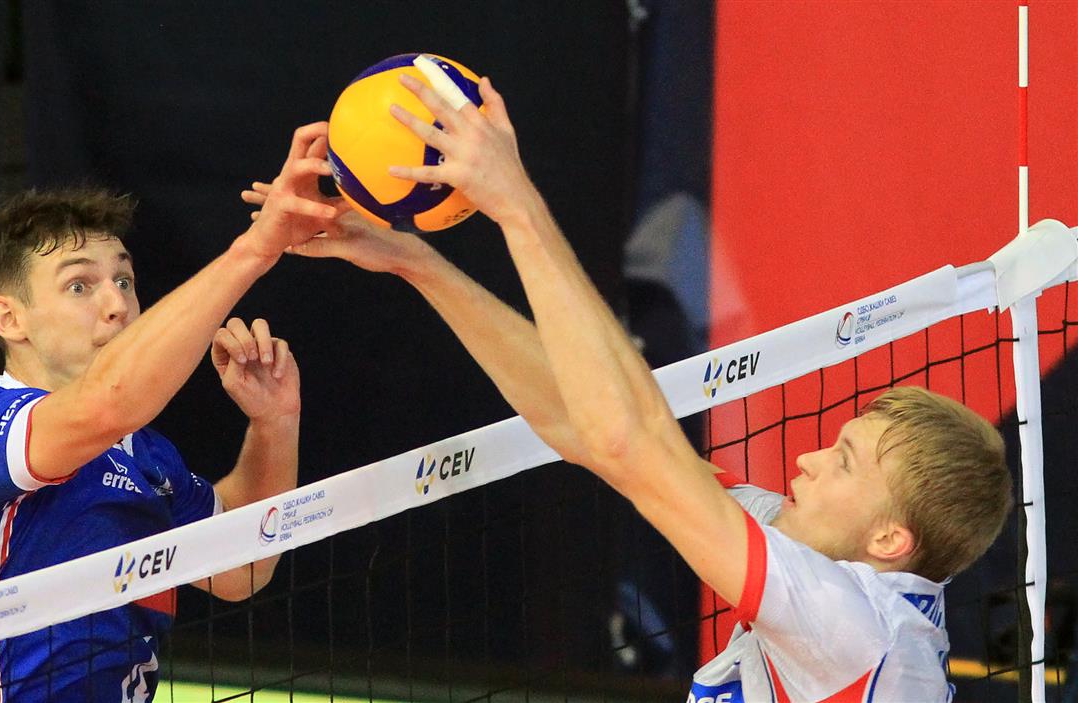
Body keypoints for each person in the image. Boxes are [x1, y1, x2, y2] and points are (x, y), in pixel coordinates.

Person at [247, 75, 1013, 700]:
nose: (808, 460)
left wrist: (517, 204)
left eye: (843, 462)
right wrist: (415, 262)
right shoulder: (817, 557)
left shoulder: (856, 630)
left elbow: (627, 438)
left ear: (890, 540)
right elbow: (588, 427)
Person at [0, 124, 337, 702]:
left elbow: (241, 568)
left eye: (124, 279)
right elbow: (110, 401)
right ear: (11, 319)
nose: (117, 303)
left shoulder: (148, 458)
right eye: (80, 286)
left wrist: (274, 424)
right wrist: (257, 247)